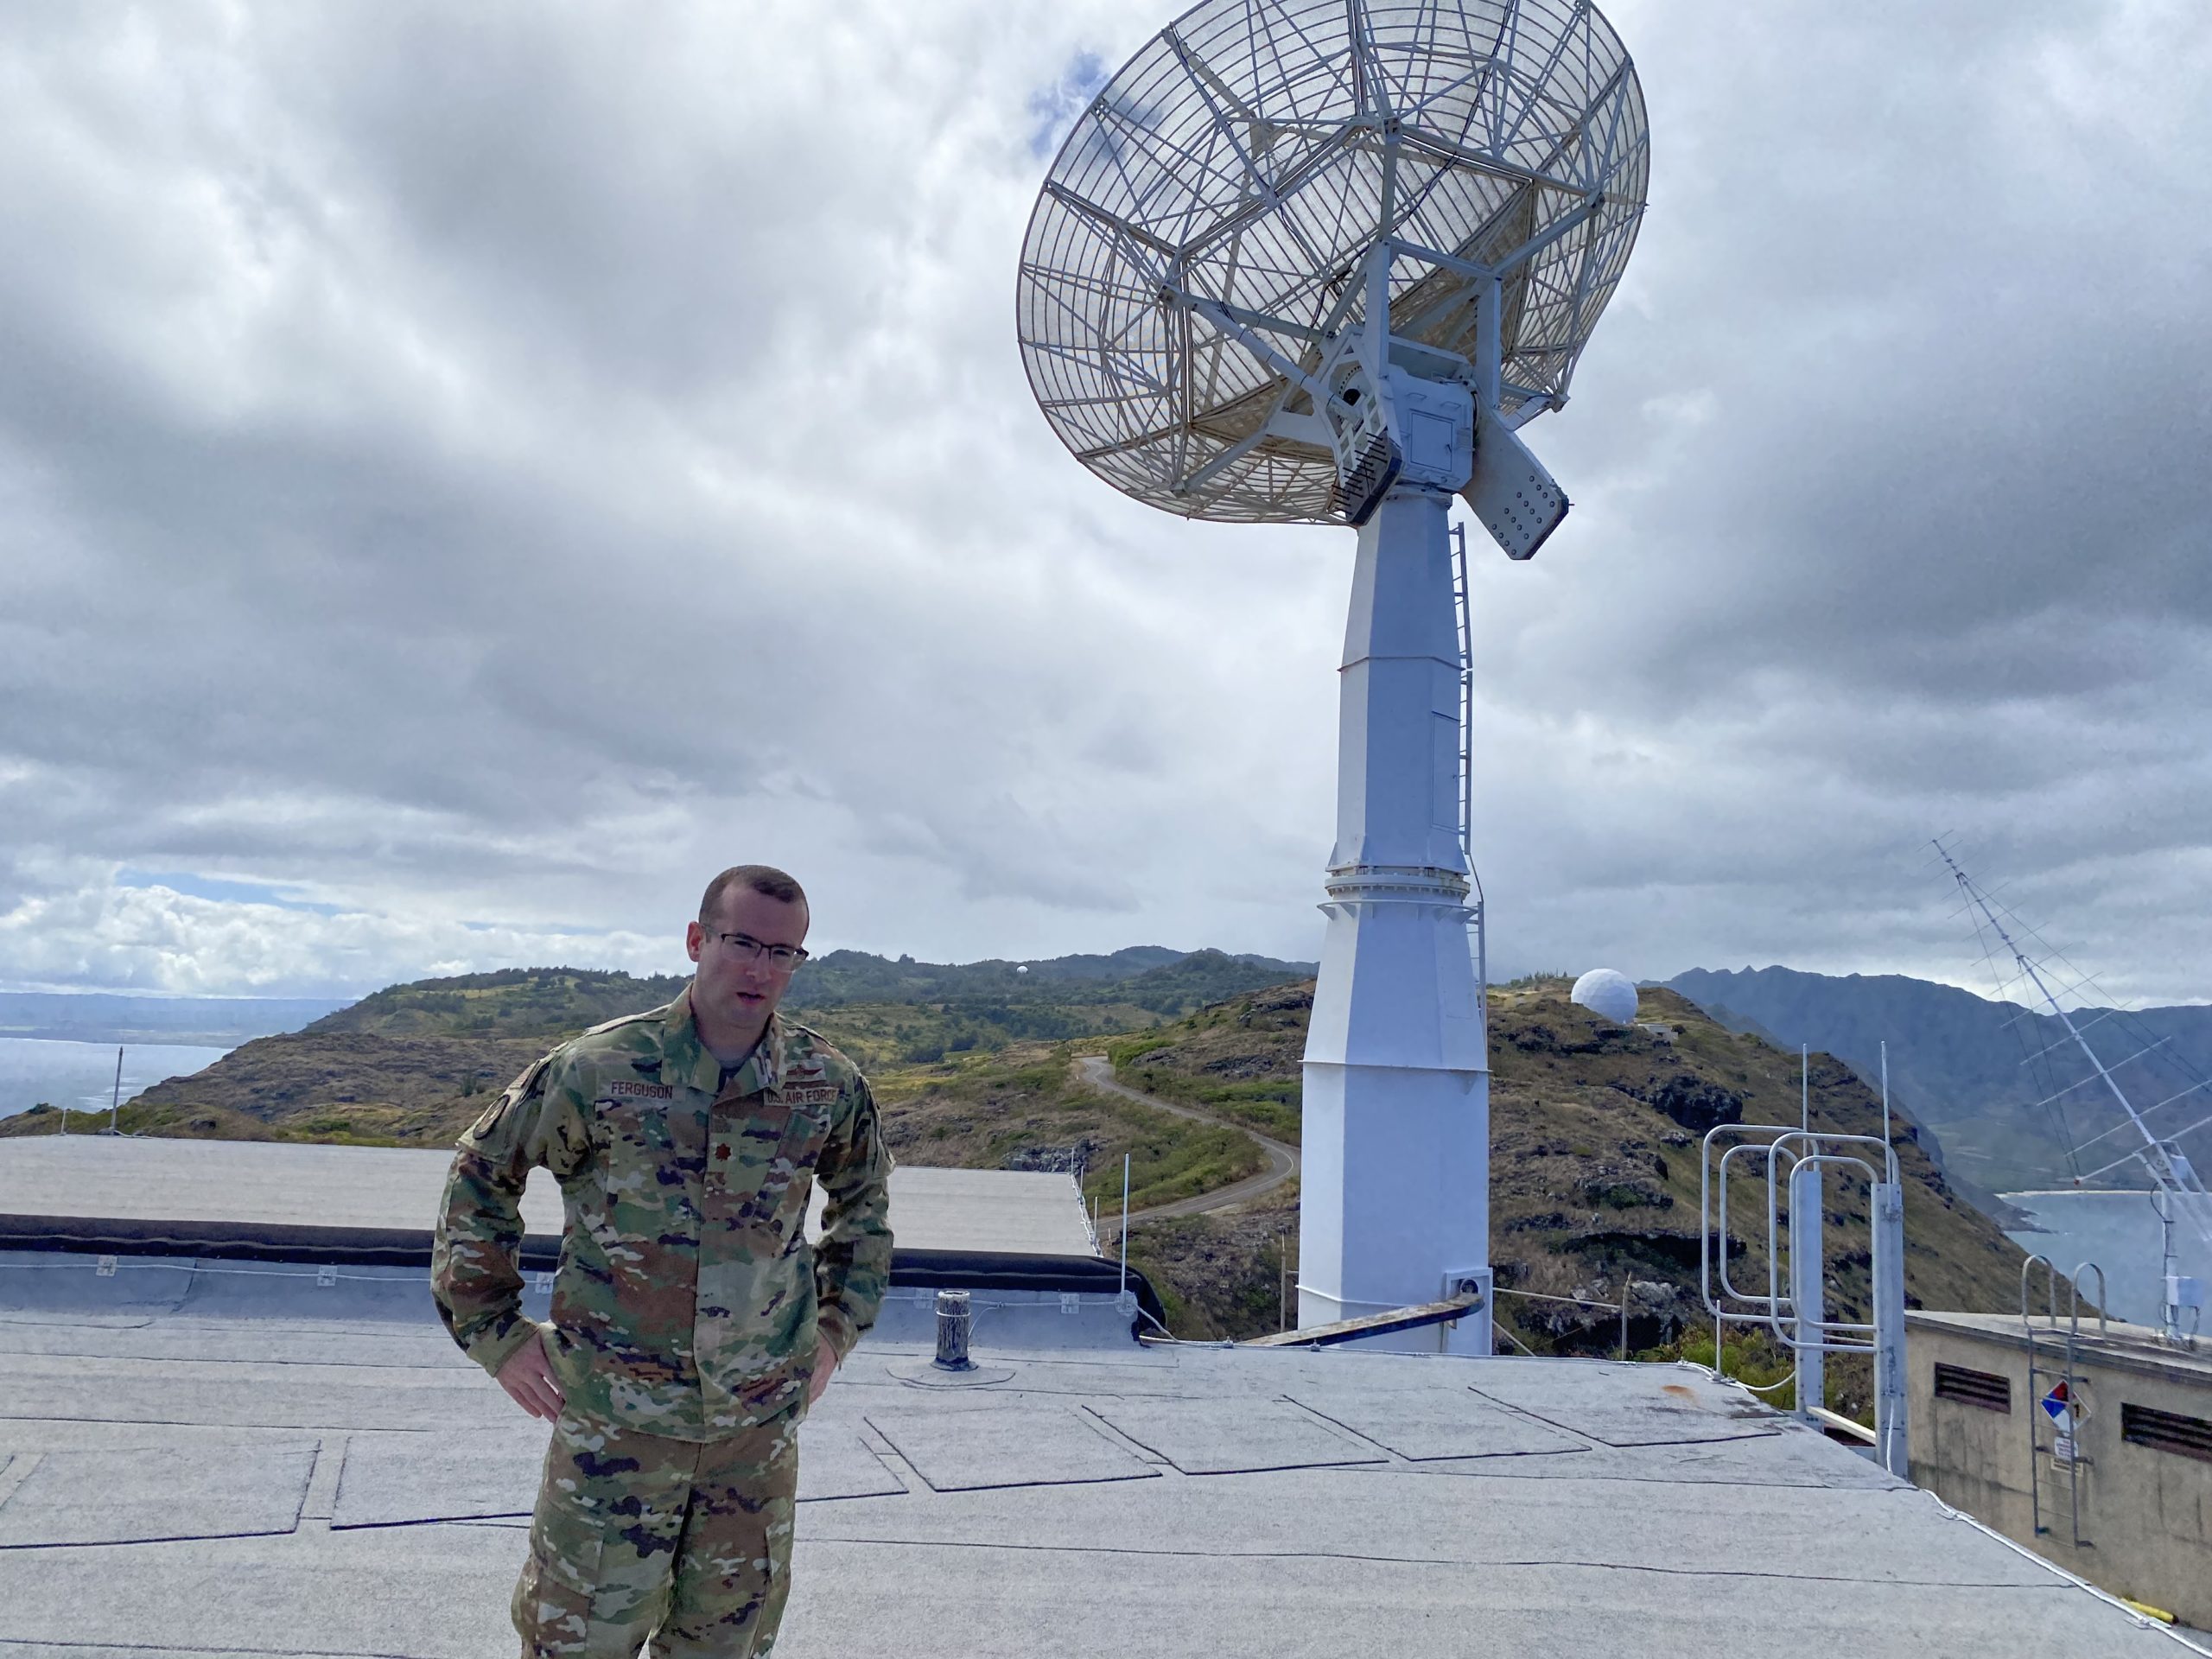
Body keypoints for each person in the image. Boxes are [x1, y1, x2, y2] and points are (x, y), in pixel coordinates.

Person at [431, 864, 893, 1657]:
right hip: (617, 1433)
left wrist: (834, 1332)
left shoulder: (825, 1085)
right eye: (743, 942)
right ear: (696, 940)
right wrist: (495, 1334)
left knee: (727, 1644)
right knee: (577, 1643)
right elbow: (483, 1171)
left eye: (785, 953)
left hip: (755, 1437)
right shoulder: (598, 1071)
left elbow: (865, 1209)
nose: (762, 969)